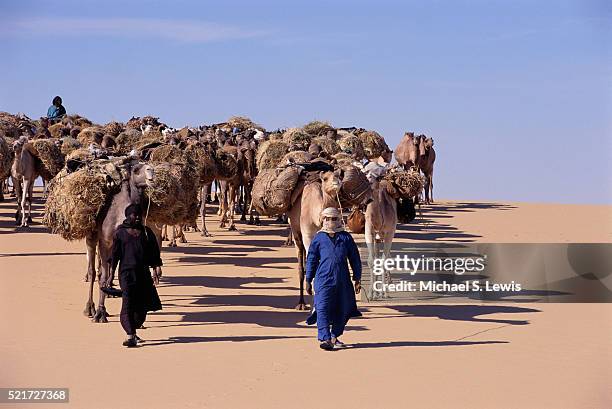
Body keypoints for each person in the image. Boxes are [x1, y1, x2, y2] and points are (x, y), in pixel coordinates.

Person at [106, 203, 163, 347]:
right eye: (134, 215)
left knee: (142, 310)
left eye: (139, 215)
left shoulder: (146, 232)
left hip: (143, 274)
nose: (137, 217)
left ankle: (134, 329)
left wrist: (156, 268)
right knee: (127, 305)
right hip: (126, 274)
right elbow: (115, 255)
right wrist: (111, 275)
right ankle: (130, 335)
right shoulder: (120, 233)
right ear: (128, 216)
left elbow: (154, 252)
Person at [305, 207, 362, 350]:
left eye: (334, 218)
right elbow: (311, 259)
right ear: (322, 220)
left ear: (339, 220)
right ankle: (325, 338)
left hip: (343, 280)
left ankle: (334, 335)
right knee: (322, 307)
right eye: (327, 218)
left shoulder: (346, 238)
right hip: (323, 280)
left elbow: (355, 258)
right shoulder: (318, 238)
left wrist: (357, 278)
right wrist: (308, 279)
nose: (330, 221)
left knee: (344, 308)